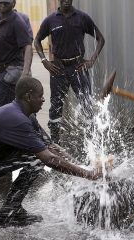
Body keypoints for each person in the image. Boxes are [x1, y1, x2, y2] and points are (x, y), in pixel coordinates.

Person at [0, 77, 102, 239]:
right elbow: (50, 160)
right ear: (29, 97)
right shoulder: (15, 119)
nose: (43, 99)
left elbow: (51, 148)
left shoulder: (26, 117)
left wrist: (84, 167)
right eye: (40, 95)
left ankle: (11, 209)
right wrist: (88, 175)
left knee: (36, 157)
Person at [34, 0, 105, 144]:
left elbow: (101, 39)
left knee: (86, 103)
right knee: (56, 105)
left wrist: (91, 60)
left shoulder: (82, 18)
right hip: (58, 68)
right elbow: (37, 41)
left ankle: (91, 141)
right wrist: (44, 61)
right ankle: (55, 142)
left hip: (78, 67)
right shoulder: (51, 20)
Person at [0, 0, 33, 107]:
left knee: (4, 111)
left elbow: (28, 47)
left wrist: (25, 73)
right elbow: (0, 52)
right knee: (8, 111)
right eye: (0, 2)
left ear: (13, 3)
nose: (3, 4)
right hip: (2, 72)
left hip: (12, 74)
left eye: (6, 2)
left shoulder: (17, 21)